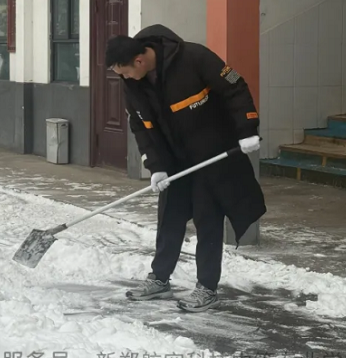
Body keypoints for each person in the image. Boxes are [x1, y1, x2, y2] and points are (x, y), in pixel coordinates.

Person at [105, 25, 265, 312]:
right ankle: (160, 278)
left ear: (139, 61)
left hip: (210, 155)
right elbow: (140, 126)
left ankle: (206, 287)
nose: (125, 79)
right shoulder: (133, 85)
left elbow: (235, 87)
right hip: (174, 162)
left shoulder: (194, 57)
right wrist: (155, 166)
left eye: (125, 72)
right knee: (169, 219)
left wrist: (247, 127)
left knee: (208, 220)